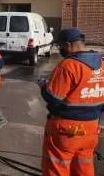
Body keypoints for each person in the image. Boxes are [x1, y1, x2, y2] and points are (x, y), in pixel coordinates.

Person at [39, 28, 104, 176]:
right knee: (83, 168)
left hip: (66, 131)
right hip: (91, 129)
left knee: (57, 168)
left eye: (60, 46)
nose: (60, 49)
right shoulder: (102, 64)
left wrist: (43, 86)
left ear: (68, 45)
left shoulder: (68, 66)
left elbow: (52, 98)